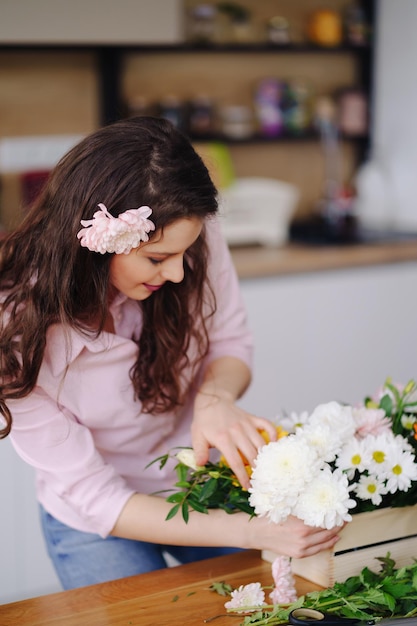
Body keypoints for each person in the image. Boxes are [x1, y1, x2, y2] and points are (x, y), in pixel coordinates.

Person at [0, 117, 340, 590]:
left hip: (198, 482)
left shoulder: (187, 233)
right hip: (100, 517)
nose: (179, 274)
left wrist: (215, 399)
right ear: (96, 247)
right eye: (157, 260)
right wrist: (252, 531)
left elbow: (231, 343)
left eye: (186, 252)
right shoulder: (16, 335)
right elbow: (99, 500)